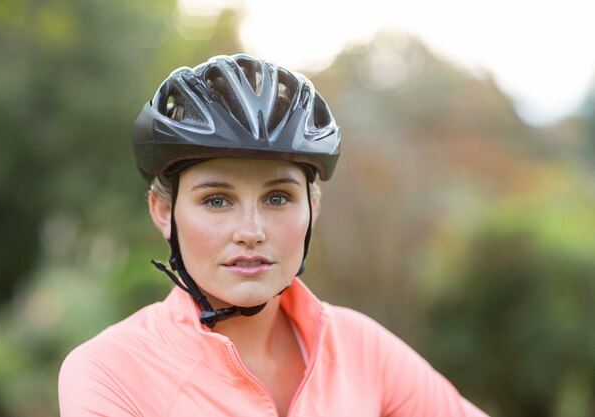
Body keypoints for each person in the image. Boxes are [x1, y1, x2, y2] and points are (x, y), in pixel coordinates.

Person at [58, 54, 489, 416]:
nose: (251, 232)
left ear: (312, 208)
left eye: (278, 198)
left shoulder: (362, 348)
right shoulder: (109, 371)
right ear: (164, 212)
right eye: (216, 201)